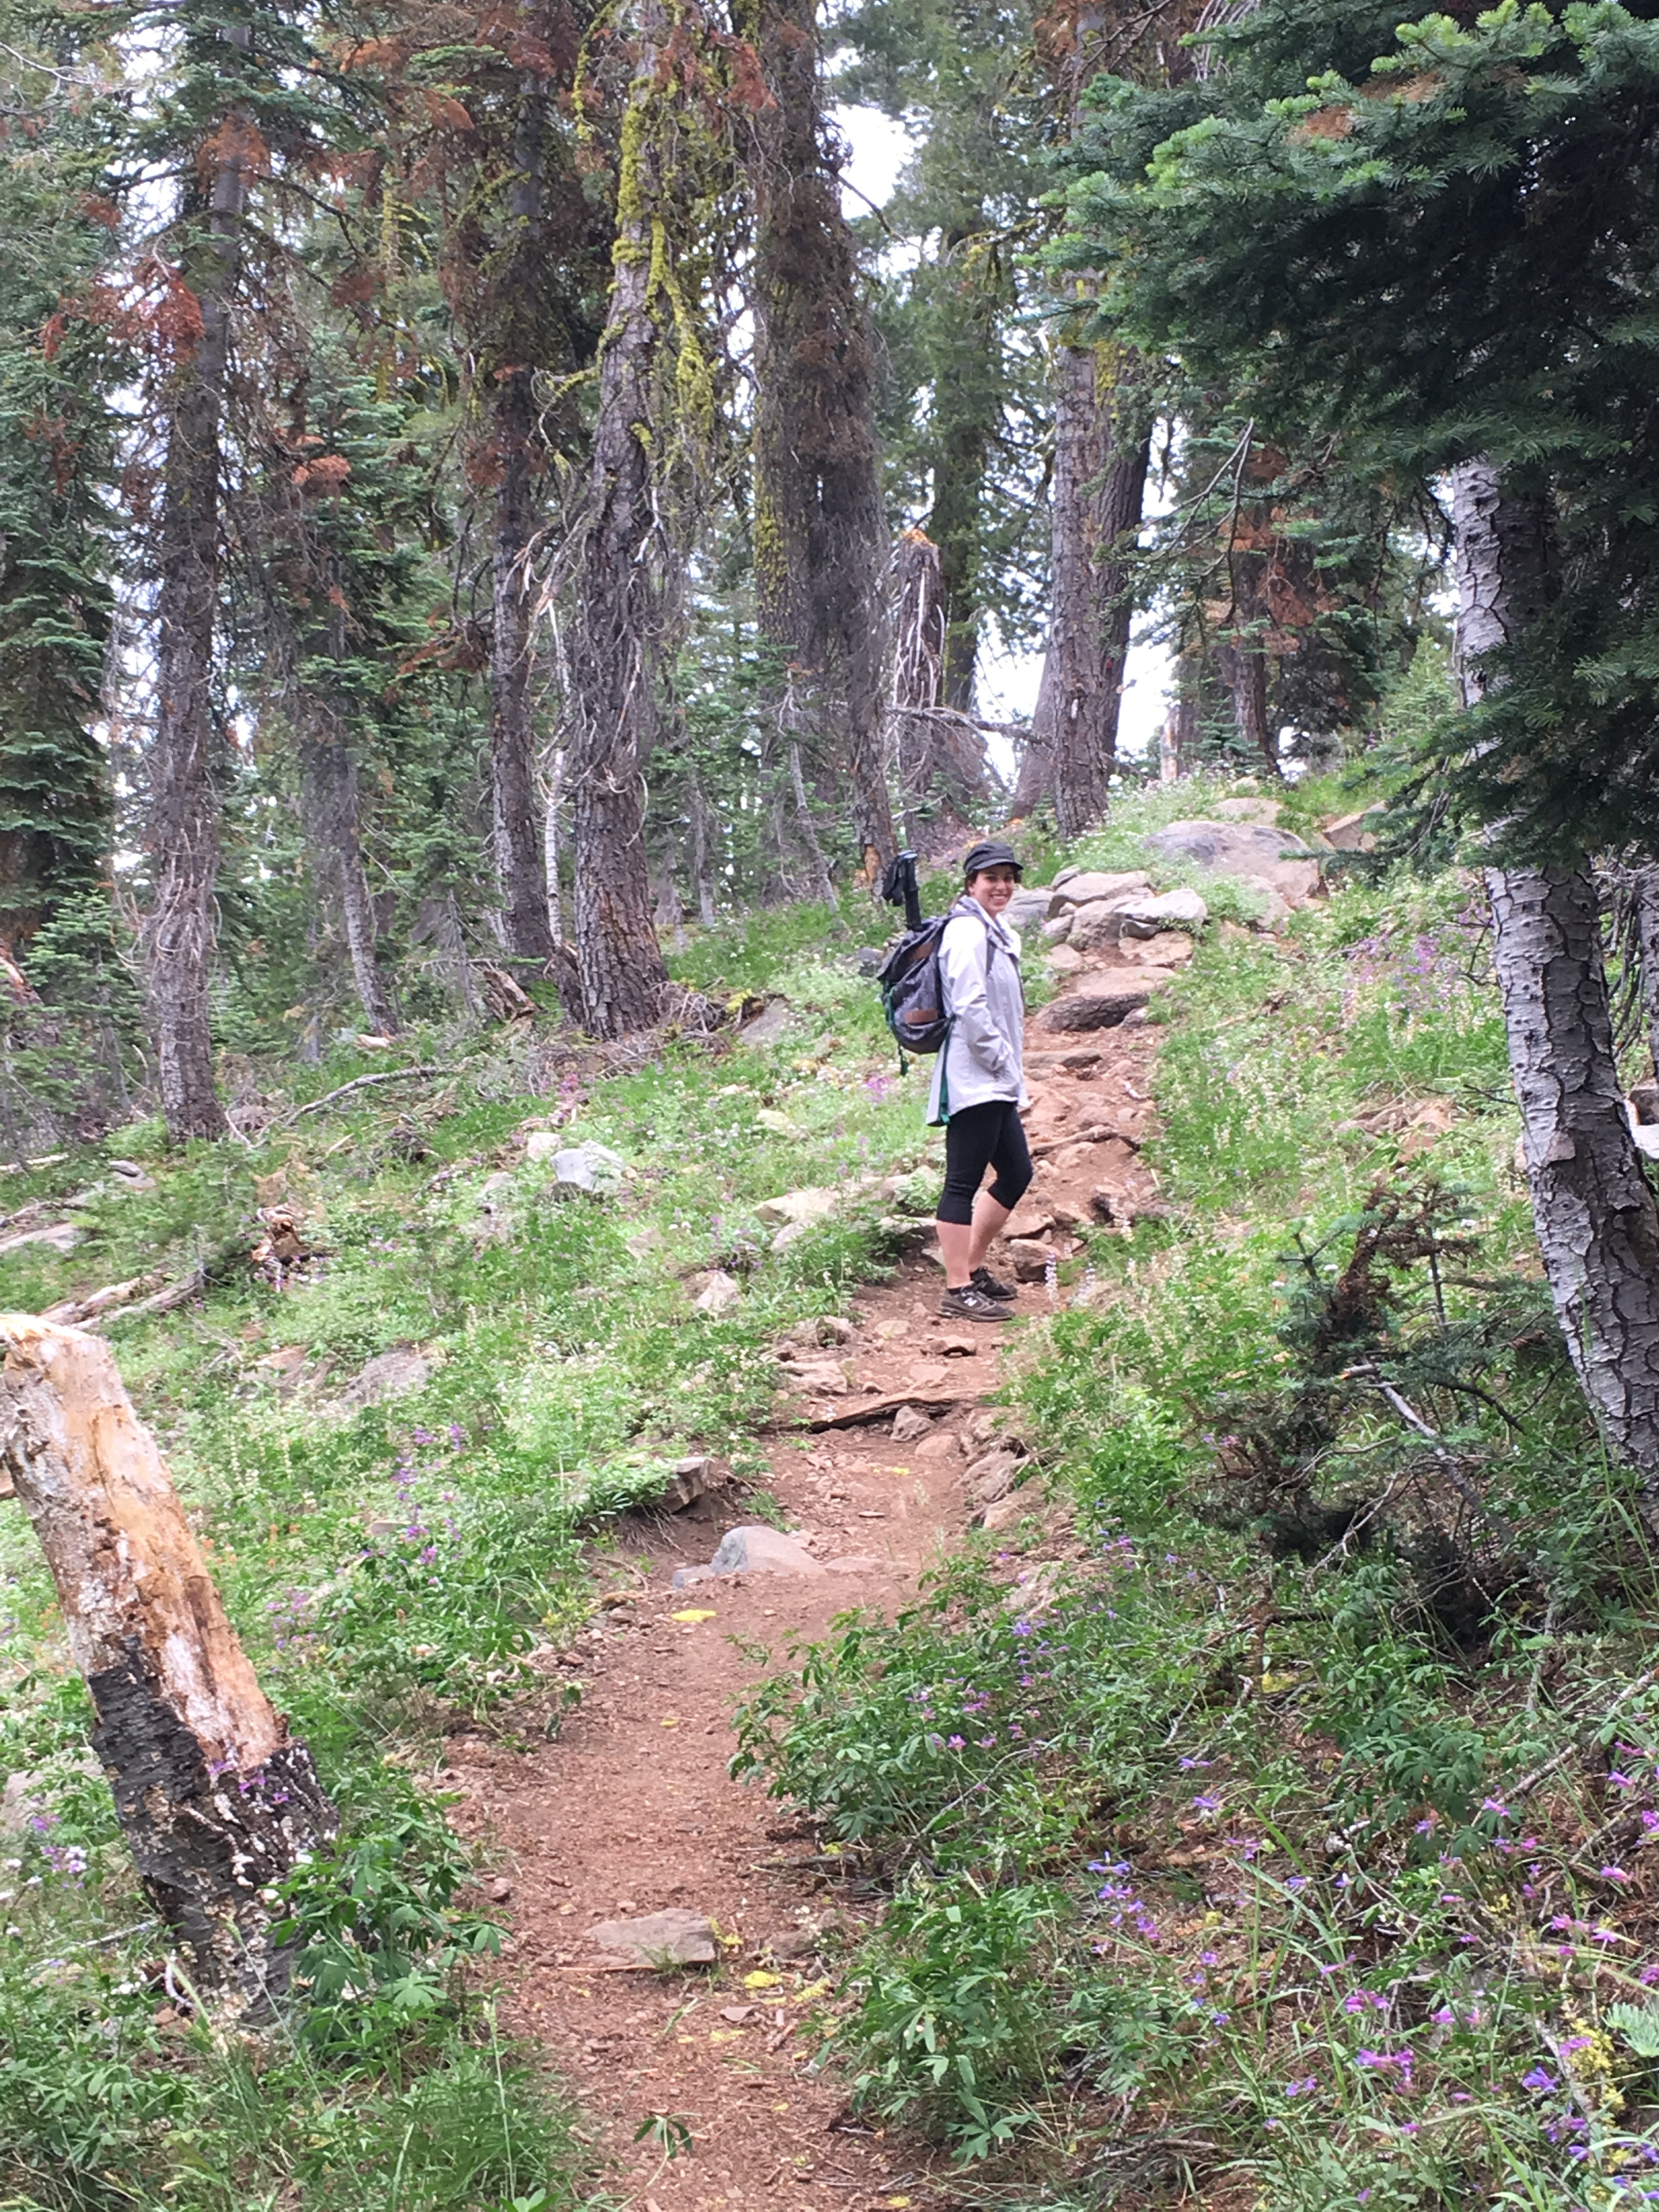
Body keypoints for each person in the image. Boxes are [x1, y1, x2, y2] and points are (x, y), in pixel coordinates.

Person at [929, 839, 1033, 1323]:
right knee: (962, 1182)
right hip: (976, 1077)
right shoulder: (968, 932)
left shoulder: (996, 932)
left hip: (996, 1078)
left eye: (1009, 878)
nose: (1003, 886)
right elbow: (969, 1005)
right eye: (992, 878)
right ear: (972, 884)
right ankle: (957, 1289)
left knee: (1017, 1173)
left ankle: (970, 1268)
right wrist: (1000, 1061)